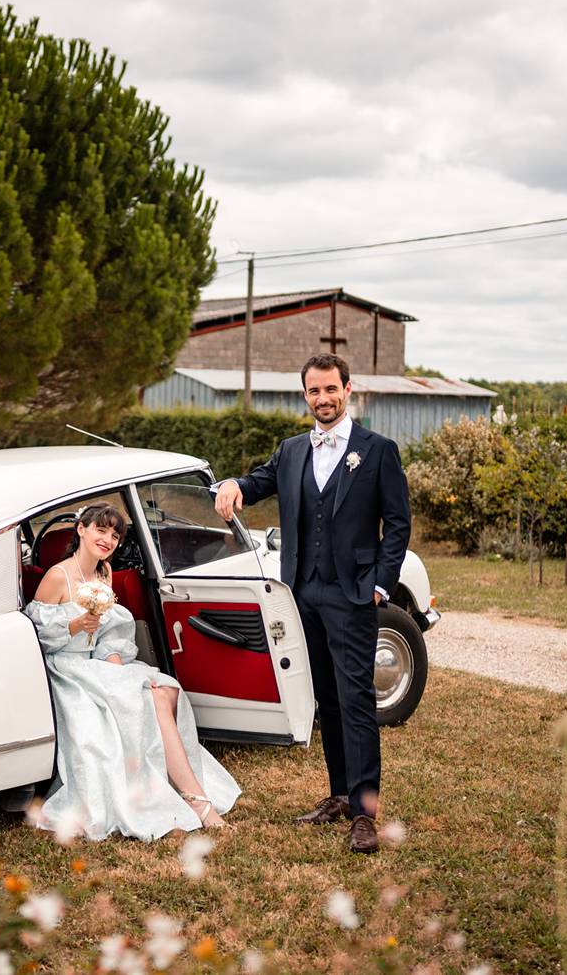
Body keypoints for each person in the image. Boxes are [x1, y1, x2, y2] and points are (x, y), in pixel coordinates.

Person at [212, 353, 410, 854]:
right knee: (326, 697)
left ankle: (365, 814)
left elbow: (398, 525)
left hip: (353, 593)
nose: (322, 399)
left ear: (349, 390)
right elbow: (260, 482)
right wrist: (235, 484)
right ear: (306, 396)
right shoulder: (292, 449)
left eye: (330, 389)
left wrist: (381, 586)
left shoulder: (378, 450)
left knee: (357, 700)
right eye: (313, 391)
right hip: (303, 591)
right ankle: (340, 795)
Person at [24, 502, 240, 840]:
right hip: (68, 668)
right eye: (101, 530)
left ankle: (176, 787)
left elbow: (112, 632)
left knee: (165, 690)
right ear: (81, 529)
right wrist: (77, 624)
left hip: (101, 663)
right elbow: (36, 637)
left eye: (114, 535)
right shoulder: (57, 575)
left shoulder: (104, 573)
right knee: (149, 697)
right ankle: (198, 801)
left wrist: (114, 663)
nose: (108, 539)